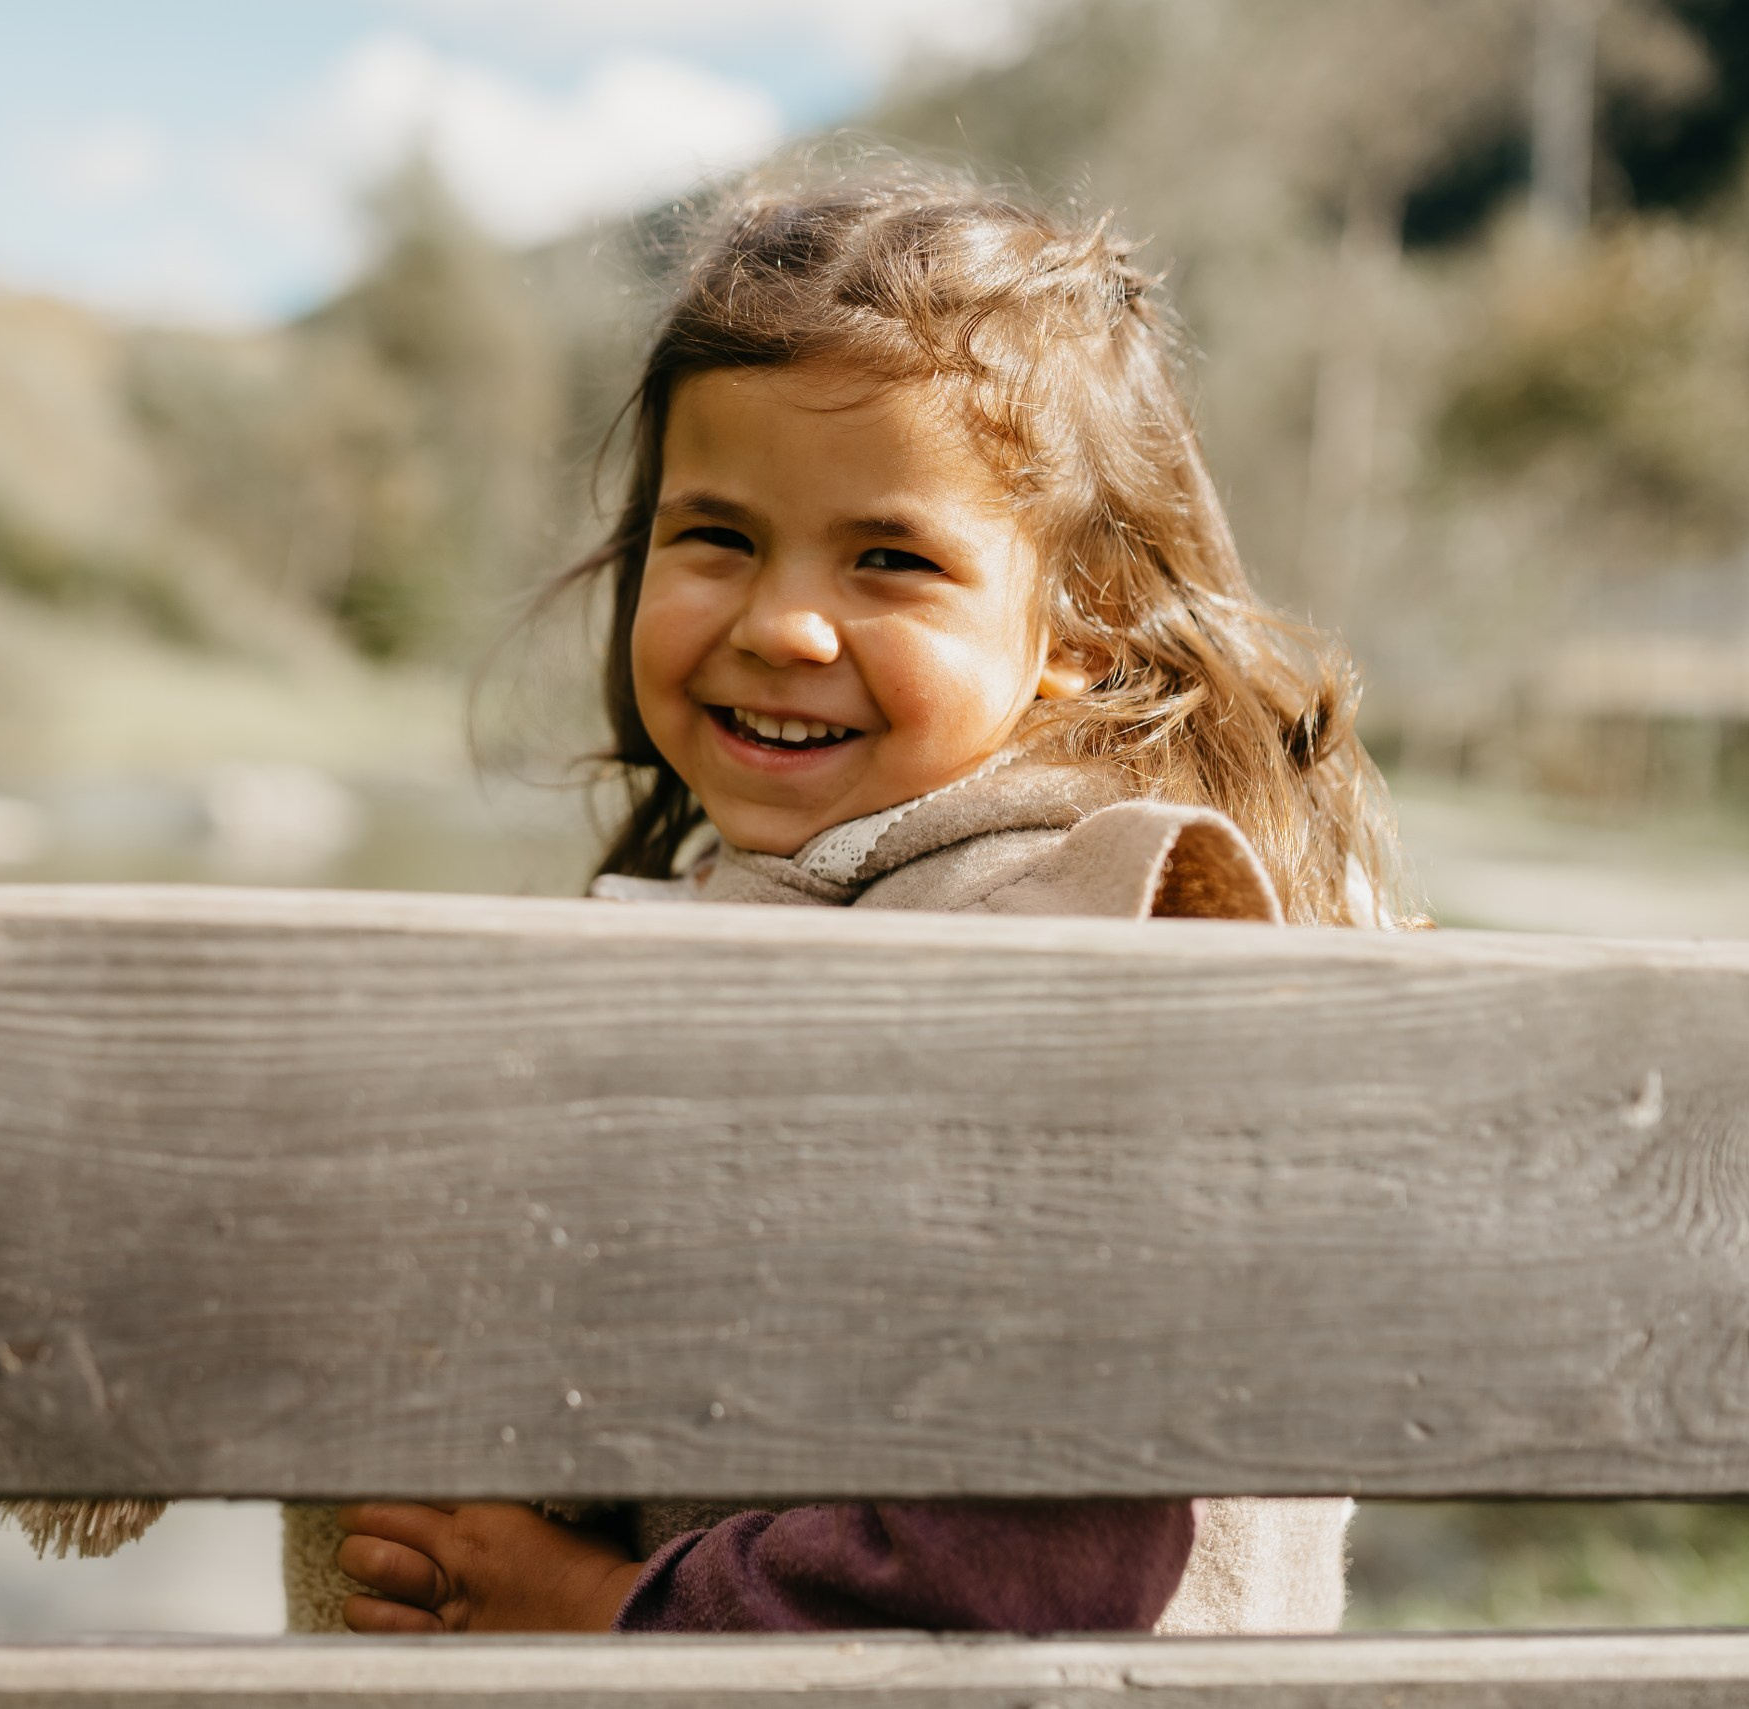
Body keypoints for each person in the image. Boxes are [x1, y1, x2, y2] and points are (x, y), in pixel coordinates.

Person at [317, 159, 1410, 1638]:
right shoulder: (869, 891)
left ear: (1074, 635)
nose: (781, 624)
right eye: (717, 537)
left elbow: (1037, 1565)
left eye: (891, 558)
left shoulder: (1069, 950)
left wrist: (591, 1607)